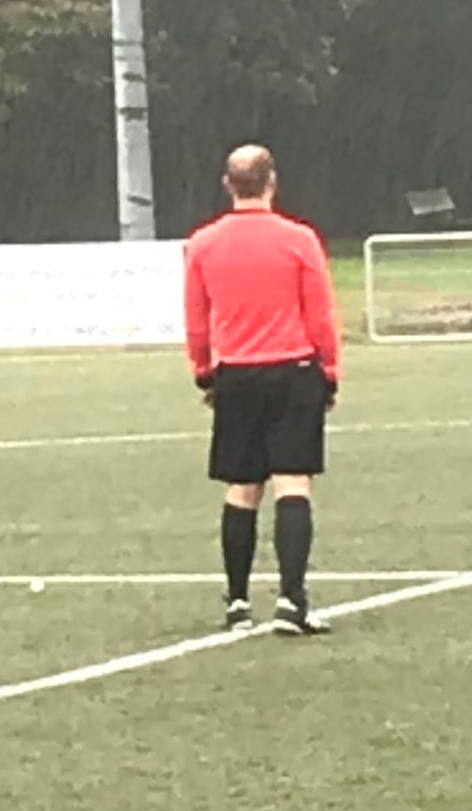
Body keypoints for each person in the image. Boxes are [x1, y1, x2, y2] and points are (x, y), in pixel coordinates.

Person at [183, 144, 342, 638]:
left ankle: (236, 602)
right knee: (292, 483)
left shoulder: (203, 244)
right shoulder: (299, 240)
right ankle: (293, 601)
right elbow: (320, 312)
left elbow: (196, 318)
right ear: (272, 182)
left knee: (242, 488)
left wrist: (204, 372)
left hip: (237, 375)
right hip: (293, 371)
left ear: (229, 186)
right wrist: (329, 369)